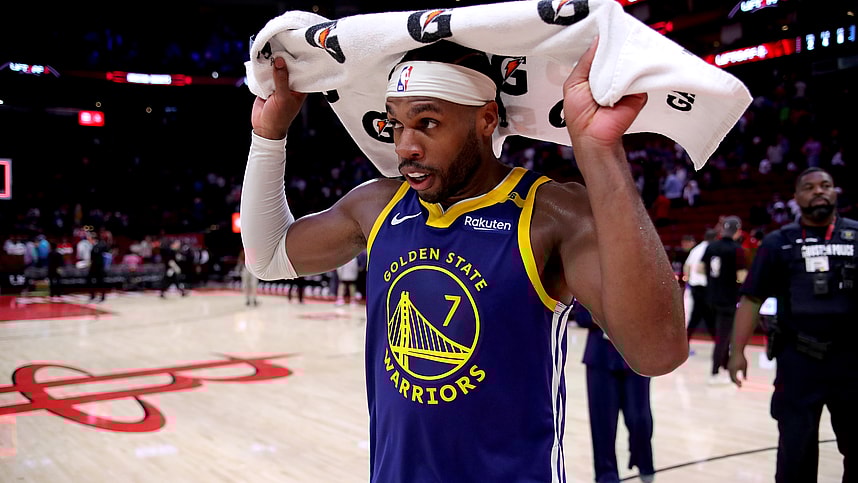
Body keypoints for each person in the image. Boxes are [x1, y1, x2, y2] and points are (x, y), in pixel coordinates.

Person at [240, 40, 687, 482]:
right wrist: (268, 136)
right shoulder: (377, 205)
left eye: (427, 123)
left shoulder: (551, 213)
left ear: (486, 119)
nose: (405, 147)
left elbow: (658, 352)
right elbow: (268, 257)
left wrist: (600, 153)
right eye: (395, 126)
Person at [729, 167, 856, 483]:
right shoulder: (777, 243)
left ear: (835, 192)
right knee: (796, 455)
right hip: (798, 361)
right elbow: (751, 300)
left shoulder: (856, 235)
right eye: (809, 187)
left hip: (852, 362)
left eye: (825, 185)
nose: (818, 191)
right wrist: (737, 351)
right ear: (796, 197)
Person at [575, 303, 655, 483]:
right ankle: (606, 476)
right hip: (600, 357)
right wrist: (612, 314)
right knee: (602, 425)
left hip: (637, 355)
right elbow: (581, 317)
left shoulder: (643, 276)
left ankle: (645, 464)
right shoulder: (590, 276)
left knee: (639, 418)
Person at [701, 216, 747, 384]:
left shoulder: (711, 246)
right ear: (738, 231)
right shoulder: (737, 250)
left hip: (711, 297)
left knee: (722, 336)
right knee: (723, 338)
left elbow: (700, 267)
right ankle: (714, 372)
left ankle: (724, 367)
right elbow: (741, 277)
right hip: (728, 300)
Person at [683, 229, 717, 344]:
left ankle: (686, 341)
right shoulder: (711, 249)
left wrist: (688, 280)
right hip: (705, 288)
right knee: (708, 316)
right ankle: (719, 344)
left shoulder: (696, 249)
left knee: (697, 316)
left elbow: (686, 266)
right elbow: (701, 268)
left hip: (694, 287)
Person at [87, 232, 109, 302]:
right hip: (93, 267)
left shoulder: (100, 245)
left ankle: (102, 296)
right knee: (91, 280)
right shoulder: (93, 246)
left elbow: (105, 252)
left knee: (101, 282)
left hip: (99, 267)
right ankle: (92, 295)